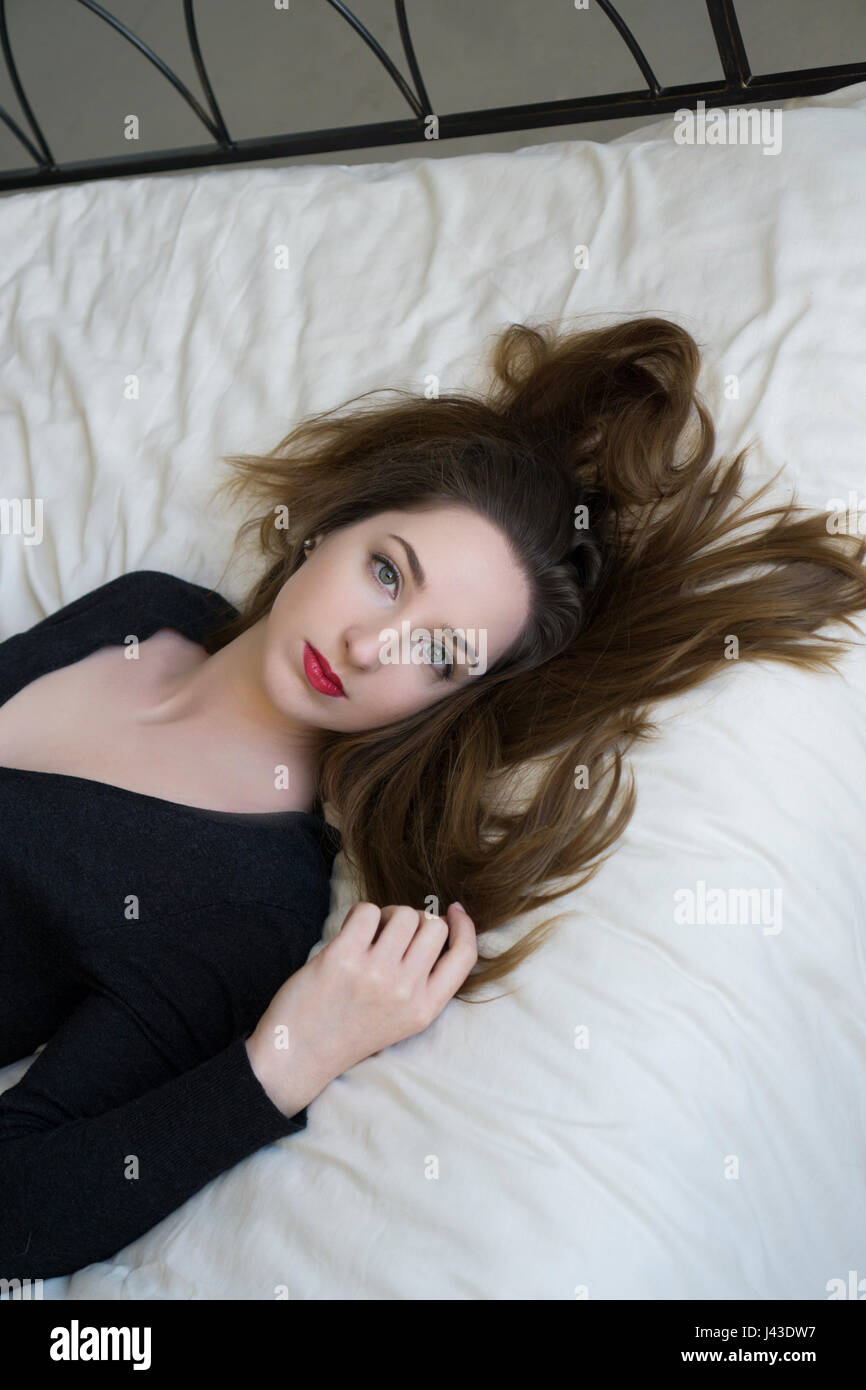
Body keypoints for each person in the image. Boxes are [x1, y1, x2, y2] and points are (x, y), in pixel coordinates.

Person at [2, 312, 865, 1281]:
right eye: (384, 572)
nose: (372, 647)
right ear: (327, 524)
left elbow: (23, 1200)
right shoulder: (149, 608)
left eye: (439, 652)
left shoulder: (242, 899)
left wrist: (288, 1058)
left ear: (448, 699)